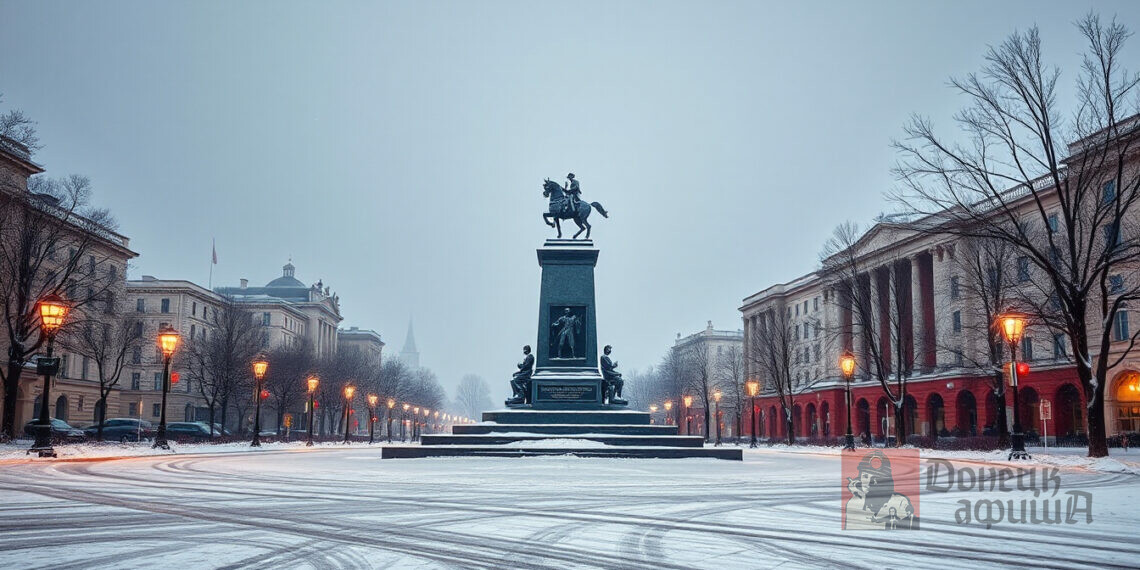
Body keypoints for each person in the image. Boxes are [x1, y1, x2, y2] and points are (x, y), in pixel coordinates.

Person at [843, 450, 918, 530]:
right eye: (865, 476)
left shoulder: (899, 503)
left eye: (875, 478)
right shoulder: (853, 503)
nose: (868, 482)